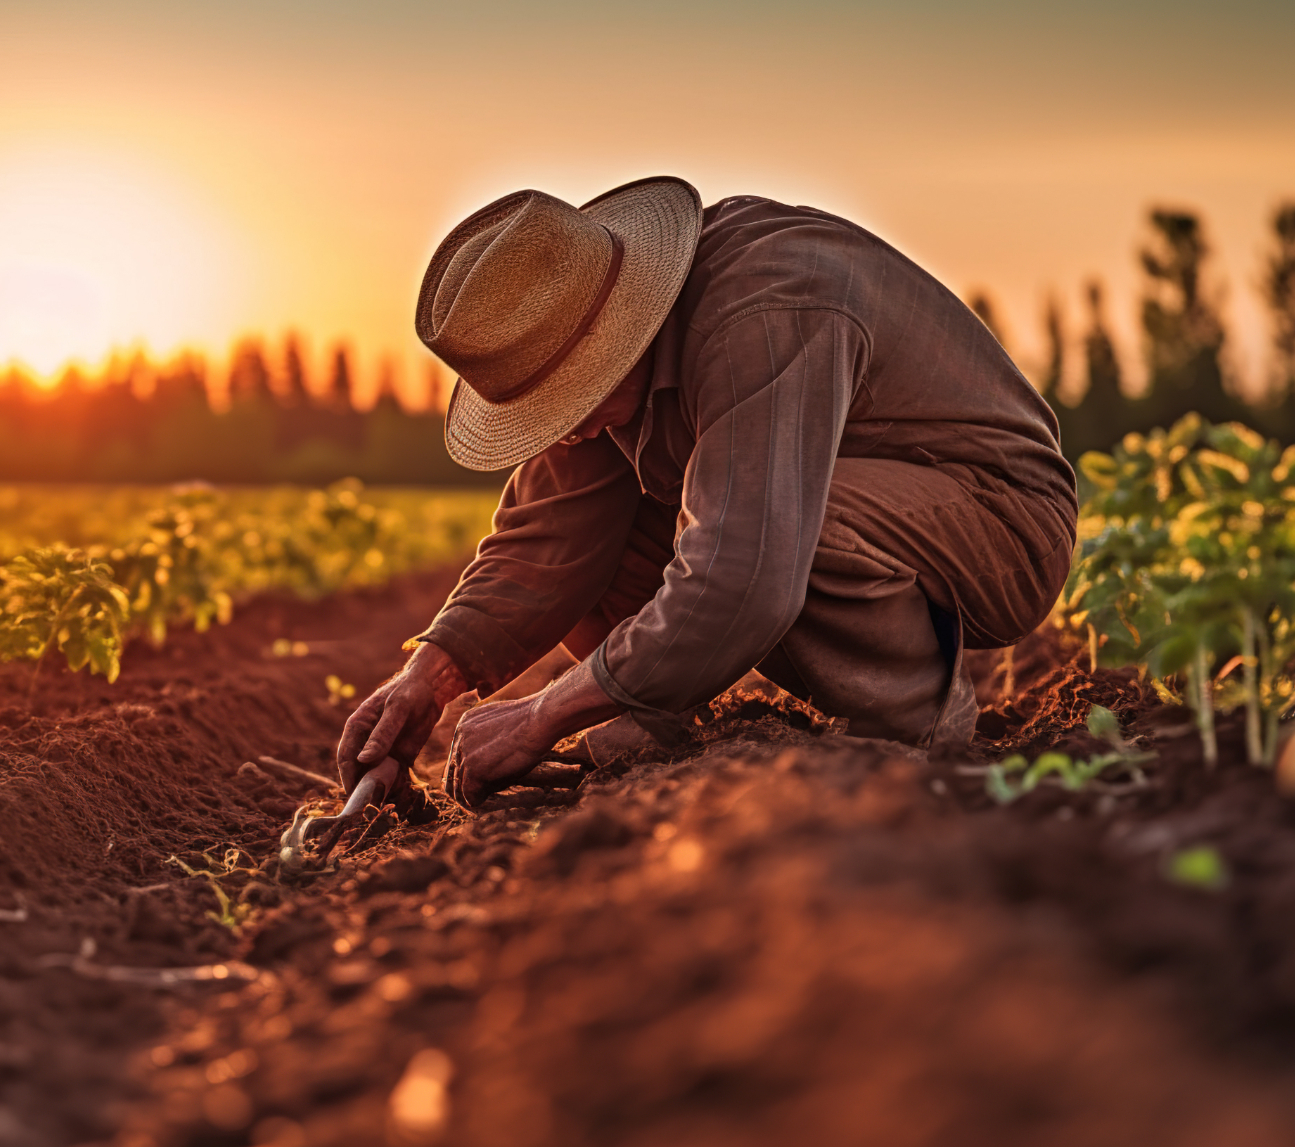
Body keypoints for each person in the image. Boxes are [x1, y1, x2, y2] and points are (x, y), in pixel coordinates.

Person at [335, 176, 1076, 811]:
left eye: (559, 405)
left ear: (613, 339)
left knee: (780, 516)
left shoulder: (763, 313)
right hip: (848, 502)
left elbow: (743, 573)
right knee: (607, 537)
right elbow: (544, 541)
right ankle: (651, 720)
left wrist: (543, 713)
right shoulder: (602, 375)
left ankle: (912, 735)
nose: (557, 434)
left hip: (998, 519)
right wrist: (428, 678)